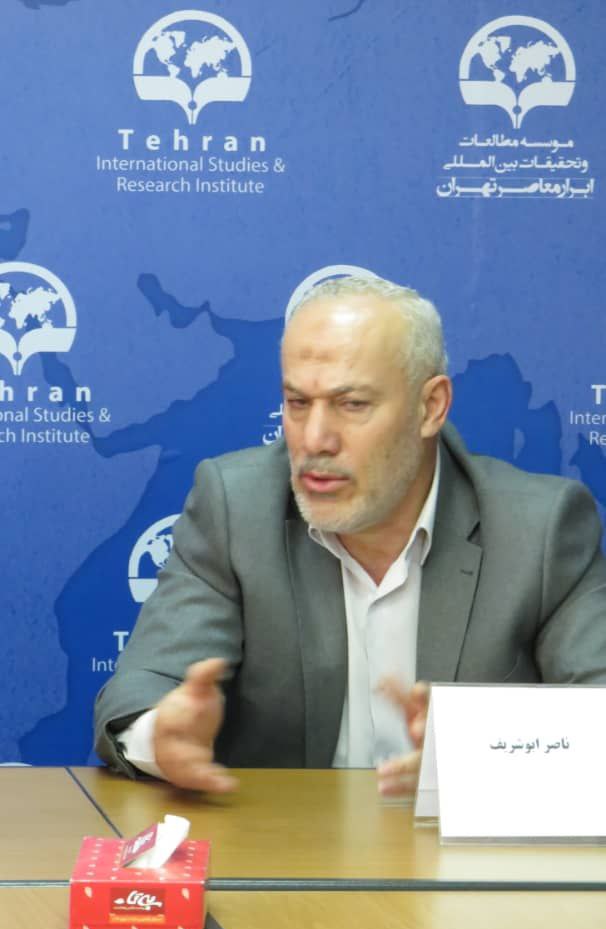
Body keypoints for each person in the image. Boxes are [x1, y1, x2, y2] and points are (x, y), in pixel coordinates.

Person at [95, 277, 606, 794]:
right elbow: (142, 689)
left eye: (352, 404)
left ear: (431, 406)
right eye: (298, 403)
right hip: (282, 839)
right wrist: (162, 734)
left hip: (459, 841)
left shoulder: (539, 529)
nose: (315, 439)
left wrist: (477, 763)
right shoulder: (236, 507)